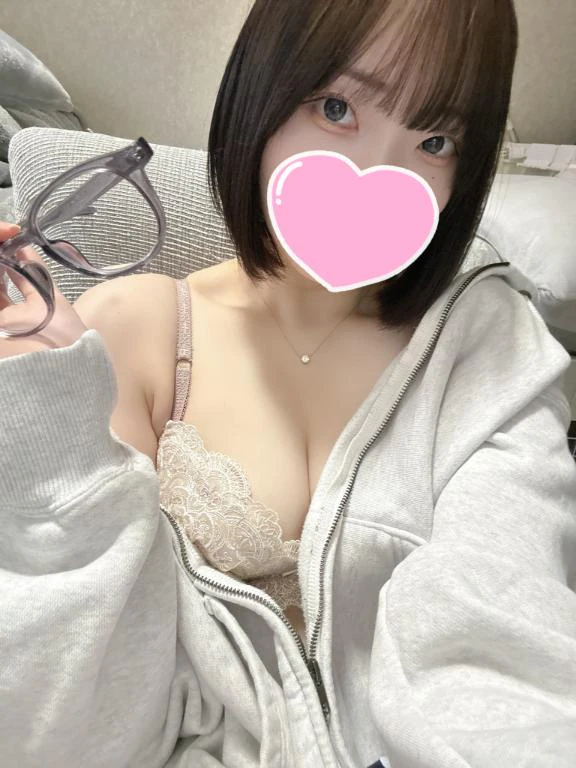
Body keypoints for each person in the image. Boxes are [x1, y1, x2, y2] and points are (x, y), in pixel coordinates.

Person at [1, 0, 575, 766]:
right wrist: (49, 437)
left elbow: (500, 637)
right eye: (337, 108)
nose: (377, 176)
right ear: (260, 94)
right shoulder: (134, 332)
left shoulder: (490, 346)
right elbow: (82, 718)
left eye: (434, 140)